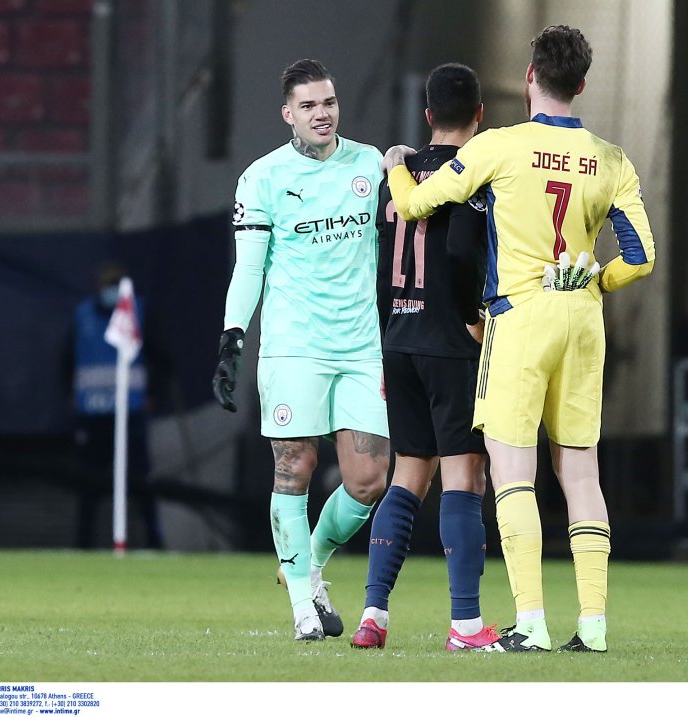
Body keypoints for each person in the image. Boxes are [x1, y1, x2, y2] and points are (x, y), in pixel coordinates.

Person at [383, 25, 655, 653]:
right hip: (582, 319)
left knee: (512, 474)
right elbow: (641, 257)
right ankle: (593, 625)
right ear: (581, 84)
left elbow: (419, 205)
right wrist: (598, 279)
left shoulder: (500, 147)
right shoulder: (612, 159)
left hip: (520, 317)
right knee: (581, 474)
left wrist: (396, 169)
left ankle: (530, 622)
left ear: (530, 77)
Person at [212, 58, 390, 642]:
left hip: (360, 347)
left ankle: (308, 566)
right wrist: (233, 338)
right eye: (309, 105)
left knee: (369, 480)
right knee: (294, 468)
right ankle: (301, 610)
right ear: (287, 113)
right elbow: (249, 269)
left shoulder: (368, 164)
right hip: (293, 348)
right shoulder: (262, 178)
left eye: (329, 102)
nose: (322, 113)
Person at [349, 63, 499, 652]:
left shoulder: (398, 180)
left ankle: (373, 614)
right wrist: (471, 315)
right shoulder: (473, 178)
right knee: (465, 476)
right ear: (480, 115)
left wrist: (387, 340)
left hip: (399, 339)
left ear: (429, 114)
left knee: (407, 475)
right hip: (449, 343)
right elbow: (460, 251)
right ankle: (466, 625)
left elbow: (378, 270)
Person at [69, 261, 164, 550]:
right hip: (94, 414)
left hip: (130, 412)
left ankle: (154, 542)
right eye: (107, 284)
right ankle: (83, 543)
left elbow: (160, 356)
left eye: (115, 284)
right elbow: (68, 358)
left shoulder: (139, 313)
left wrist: (153, 392)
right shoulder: (83, 316)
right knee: (89, 483)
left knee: (139, 481)